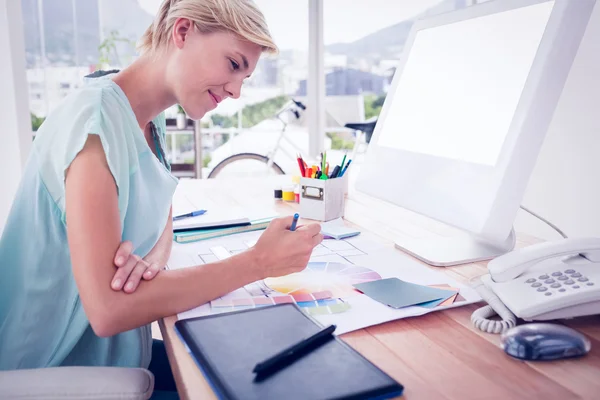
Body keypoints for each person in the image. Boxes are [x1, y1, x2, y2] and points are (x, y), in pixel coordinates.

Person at [0, 0, 323, 398]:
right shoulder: (95, 125)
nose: (238, 90)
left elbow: (161, 217)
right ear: (183, 32)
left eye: (247, 76)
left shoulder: (151, 120)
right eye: (234, 64)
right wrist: (258, 262)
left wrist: (152, 260)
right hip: (55, 371)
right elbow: (108, 310)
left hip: (116, 356)